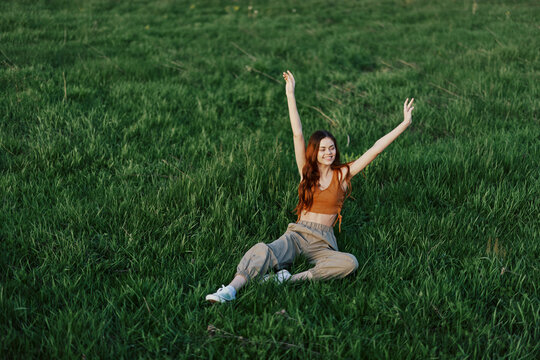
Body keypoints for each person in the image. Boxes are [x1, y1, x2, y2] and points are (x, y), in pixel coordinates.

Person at [206, 70, 415, 303]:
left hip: (322, 242)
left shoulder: (342, 174)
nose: (328, 152)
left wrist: (404, 124)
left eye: (332, 148)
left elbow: (375, 149)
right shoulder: (306, 173)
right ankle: (231, 290)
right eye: (323, 149)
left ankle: (288, 279)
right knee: (262, 250)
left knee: (350, 262)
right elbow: (297, 133)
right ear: (315, 152)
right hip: (297, 234)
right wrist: (290, 93)